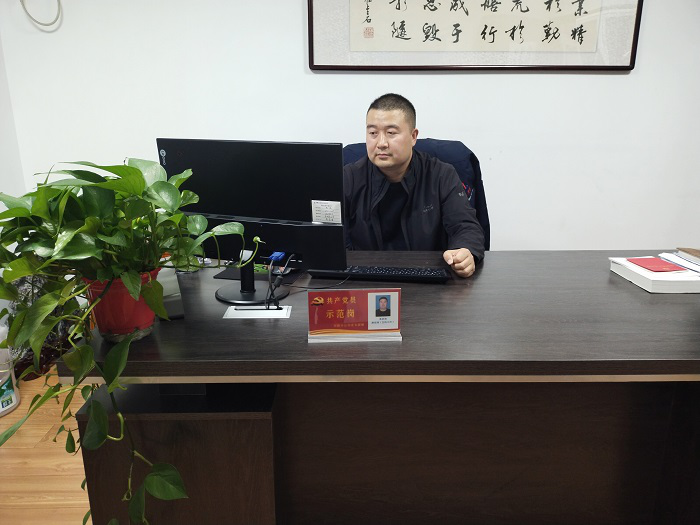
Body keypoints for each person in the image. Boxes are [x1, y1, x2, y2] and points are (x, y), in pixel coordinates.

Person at [343, 93, 485, 278]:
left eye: (391, 133)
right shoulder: (349, 178)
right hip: (366, 280)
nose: (381, 143)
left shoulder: (441, 175)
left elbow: (465, 226)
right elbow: (329, 235)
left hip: (428, 279)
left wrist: (465, 250)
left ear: (413, 136)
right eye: (373, 133)